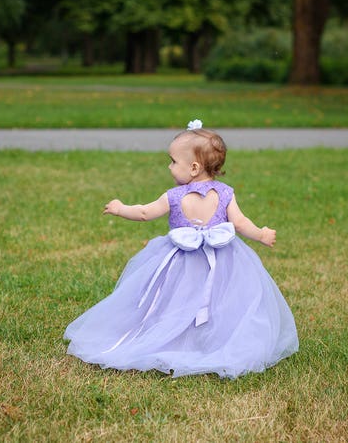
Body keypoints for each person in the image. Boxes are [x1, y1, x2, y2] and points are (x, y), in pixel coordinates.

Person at [64, 120, 298, 378]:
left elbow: (144, 213)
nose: (169, 166)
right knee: (221, 301)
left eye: (173, 161)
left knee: (174, 298)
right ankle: (208, 339)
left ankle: (178, 336)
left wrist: (120, 208)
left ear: (194, 168)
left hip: (182, 262)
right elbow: (241, 223)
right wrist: (261, 234)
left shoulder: (174, 196)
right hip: (222, 261)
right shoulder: (225, 193)